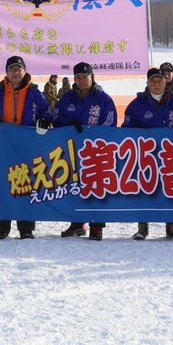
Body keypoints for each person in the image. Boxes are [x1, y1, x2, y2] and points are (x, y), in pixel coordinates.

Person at [0, 55, 52, 239]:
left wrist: (44, 120)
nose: (15, 72)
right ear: (6, 72)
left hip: (27, 147)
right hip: (2, 146)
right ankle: (1, 227)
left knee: (26, 183)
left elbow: (47, 111)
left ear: (25, 70)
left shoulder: (35, 93)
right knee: (1, 185)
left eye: (18, 69)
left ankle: (26, 228)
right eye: (11, 69)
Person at [122, 67, 173, 241]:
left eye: (159, 80)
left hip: (171, 154)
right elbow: (127, 128)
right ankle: (143, 227)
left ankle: (172, 227)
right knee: (143, 190)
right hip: (145, 155)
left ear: (165, 81)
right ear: (147, 83)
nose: (156, 84)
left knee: (171, 189)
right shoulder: (137, 104)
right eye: (152, 81)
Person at [54, 62, 118, 240]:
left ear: (92, 76)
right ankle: (76, 223)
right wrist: (68, 125)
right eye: (78, 77)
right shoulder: (67, 98)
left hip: (95, 151)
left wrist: (95, 134)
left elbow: (110, 121)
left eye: (85, 76)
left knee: (96, 187)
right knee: (74, 185)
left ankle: (96, 226)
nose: (82, 80)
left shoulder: (103, 99)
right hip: (72, 149)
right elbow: (56, 117)